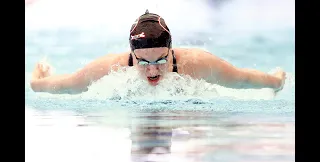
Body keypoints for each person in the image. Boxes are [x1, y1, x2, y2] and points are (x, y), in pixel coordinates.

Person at [30, 10, 286, 94]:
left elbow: (242, 79)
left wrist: (276, 81)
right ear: (132, 55)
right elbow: (67, 85)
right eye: (143, 62)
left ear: (172, 50)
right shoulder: (110, 68)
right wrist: (36, 82)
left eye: (162, 60)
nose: (153, 70)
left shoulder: (196, 63)